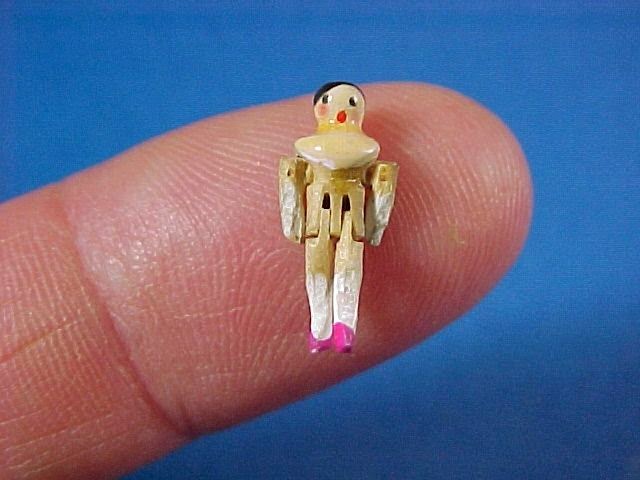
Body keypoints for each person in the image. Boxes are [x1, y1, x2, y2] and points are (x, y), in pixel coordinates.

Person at [0, 82, 532, 479]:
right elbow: (295, 178)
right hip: (318, 217)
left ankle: (343, 325)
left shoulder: (365, 149)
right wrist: (293, 218)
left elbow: (377, 180)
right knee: (317, 271)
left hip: (350, 215)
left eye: (349, 104)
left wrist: (376, 219)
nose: (341, 111)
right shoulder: (310, 146)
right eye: (334, 104)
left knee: (348, 270)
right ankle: (321, 327)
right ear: (321, 110)